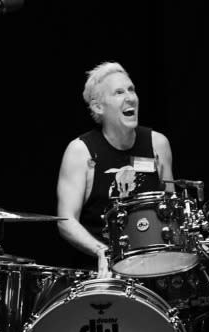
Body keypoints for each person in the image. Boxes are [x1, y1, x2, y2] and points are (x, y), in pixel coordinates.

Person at [56, 62, 174, 274]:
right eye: (118, 92)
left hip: (153, 267)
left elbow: (171, 211)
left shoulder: (158, 144)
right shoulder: (80, 151)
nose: (130, 97)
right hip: (100, 270)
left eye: (131, 89)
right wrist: (105, 251)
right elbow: (66, 220)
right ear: (97, 107)